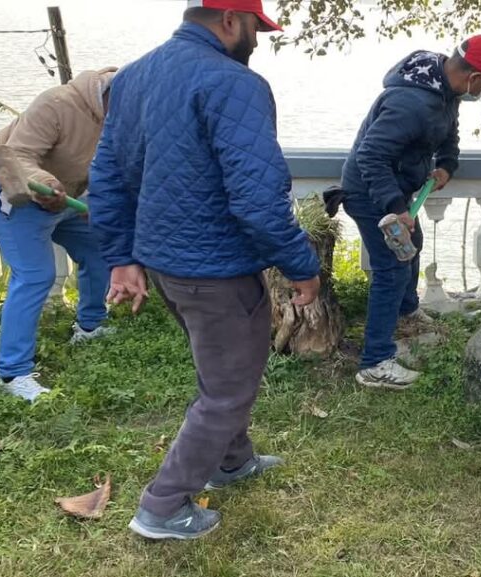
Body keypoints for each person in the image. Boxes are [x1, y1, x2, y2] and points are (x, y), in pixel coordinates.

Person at [88, 0, 321, 540]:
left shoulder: (133, 77)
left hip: (169, 266)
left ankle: (233, 461)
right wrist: (301, 266)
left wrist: (123, 256)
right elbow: (259, 200)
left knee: (222, 372)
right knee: (227, 389)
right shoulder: (236, 83)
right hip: (218, 270)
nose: (258, 42)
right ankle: (162, 506)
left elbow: (107, 176)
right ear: (230, 21)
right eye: (257, 29)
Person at [340, 34, 481, 390]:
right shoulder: (411, 103)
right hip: (369, 192)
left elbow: (449, 131)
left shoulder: (445, 87)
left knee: (411, 241)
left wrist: (447, 164)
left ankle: (406, 311)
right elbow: (371, 156)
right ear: (475, 76)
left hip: (396, 189)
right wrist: (395, 207)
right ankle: (375, 362)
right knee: (391, 267)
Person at [0, 68, 118, 401]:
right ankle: (11, 374)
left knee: (98, 249)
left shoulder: (125, 115)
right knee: (36, 275)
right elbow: (18, 154)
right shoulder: (56, 103)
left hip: (68, 196)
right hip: (11, 190)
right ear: (109, 95)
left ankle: (90, 326)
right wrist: (49, 187)